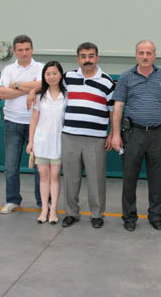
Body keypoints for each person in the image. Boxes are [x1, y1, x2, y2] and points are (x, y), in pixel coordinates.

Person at [111, 40, 161, 231]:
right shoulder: (126, 77)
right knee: (130, 177)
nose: (145, 57)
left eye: (148, 53)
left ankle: (156, 215)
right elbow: (118, 106)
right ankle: (129, 217)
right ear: (136, 55)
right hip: (133, 134)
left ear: (154, 55)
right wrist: (115, 135)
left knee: (158, 178)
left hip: (158, 133)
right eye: (141, 53)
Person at [59, 43, 115, 229]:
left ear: (97, 57)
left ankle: (97, 214)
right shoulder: (68, 78)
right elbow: (48, 87)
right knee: (70, 178)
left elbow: (113, 110)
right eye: (83, 56)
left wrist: (112, 134)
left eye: (91, 56)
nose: (87, 60)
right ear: (78, 59)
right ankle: (71, 213)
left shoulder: (107, 81)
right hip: (70, 136)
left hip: (96, 138)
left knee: (96, 179)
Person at [0, 35, 43, 214]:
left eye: (27, 49)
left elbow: (42, 86)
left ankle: (42, 202)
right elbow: (2, 94)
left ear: (32, 49)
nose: (24, 53)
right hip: (12, 123)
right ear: (15, 51)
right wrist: (30, 88)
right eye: (20, 50)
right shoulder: (8, 69)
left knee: (40, 167)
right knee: (10, 167)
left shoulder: (41, 68)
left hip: (37, 123)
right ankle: (12, 200)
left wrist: (16, 85)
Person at [26, 61, 67, 225]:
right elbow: (34, 120)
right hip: (41, 142)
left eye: (55, 73)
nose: (51, 77)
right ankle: (44, 209)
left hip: (58, 142)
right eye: (48, 74)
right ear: (44, 76)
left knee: (55, 176)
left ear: (61, 75)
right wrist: (31, 141)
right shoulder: (39, 97)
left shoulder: (67, 96)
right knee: (43, 176)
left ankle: (54, 209)